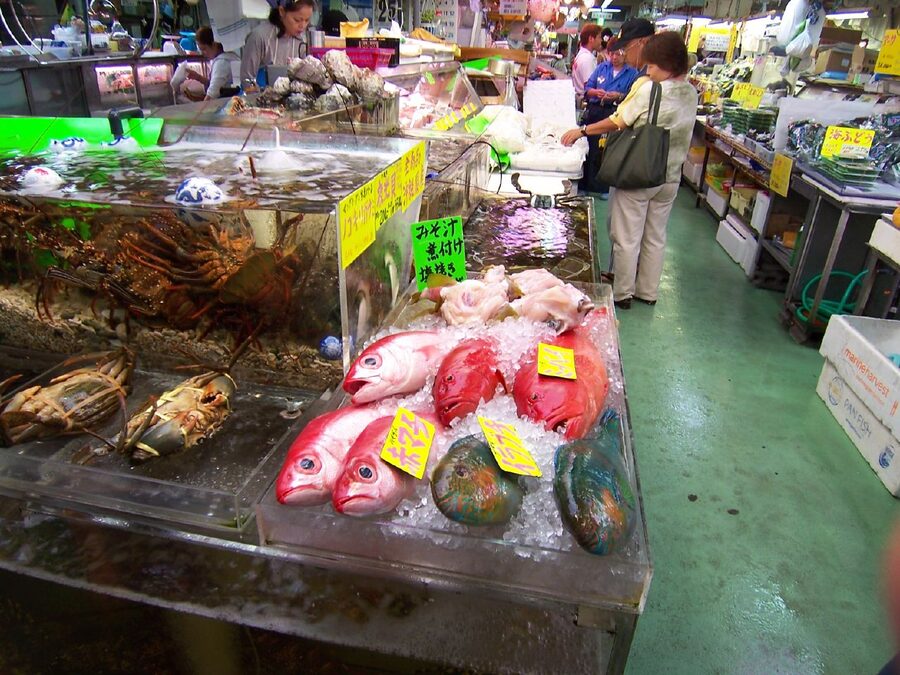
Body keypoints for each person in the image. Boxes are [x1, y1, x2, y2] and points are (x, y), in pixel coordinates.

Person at [561, 31, 697, 310]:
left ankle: (622, 292)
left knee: (626, 236)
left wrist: (583, 130)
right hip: (670, 176)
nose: (647, 71)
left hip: (640, 171)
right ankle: (647, 291)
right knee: (655, 235)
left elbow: (619, 120)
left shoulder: (651, 89)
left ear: (666, 65)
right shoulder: (690, 92)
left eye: (652, 66)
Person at [579, 36, 639, 197]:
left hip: (614, 114)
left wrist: (619, 96)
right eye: (611, 54)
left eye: (618, 54)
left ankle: (603, 188)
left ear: (625, 53)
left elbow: (633, 96)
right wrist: (594, 92)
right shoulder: (601, 68)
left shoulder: (633, 73)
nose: (614, 57)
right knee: (589, 148)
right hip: (595, 111)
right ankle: (584, 185)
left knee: (607, 151)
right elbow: (588, 87)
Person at [240, 0, 316, 86]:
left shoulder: (302, 41)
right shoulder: (259, 37)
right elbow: (247, 79)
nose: (302, 26)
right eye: (297, 20)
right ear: (282, 11)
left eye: (307, 20)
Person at [170, 27, 235, 102]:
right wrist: (198, 77)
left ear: (214, 44)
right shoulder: (227, 56)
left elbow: (211, 95)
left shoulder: (222, 63)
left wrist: (201, 110)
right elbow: (217, 85)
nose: (202, 53)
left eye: (204, 49)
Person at [572, 23, 602, 107]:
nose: (601, 41)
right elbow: (589, 86)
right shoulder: (587, 58)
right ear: (591, 39)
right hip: (585, 103)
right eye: (599, 37)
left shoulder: (581, 55)